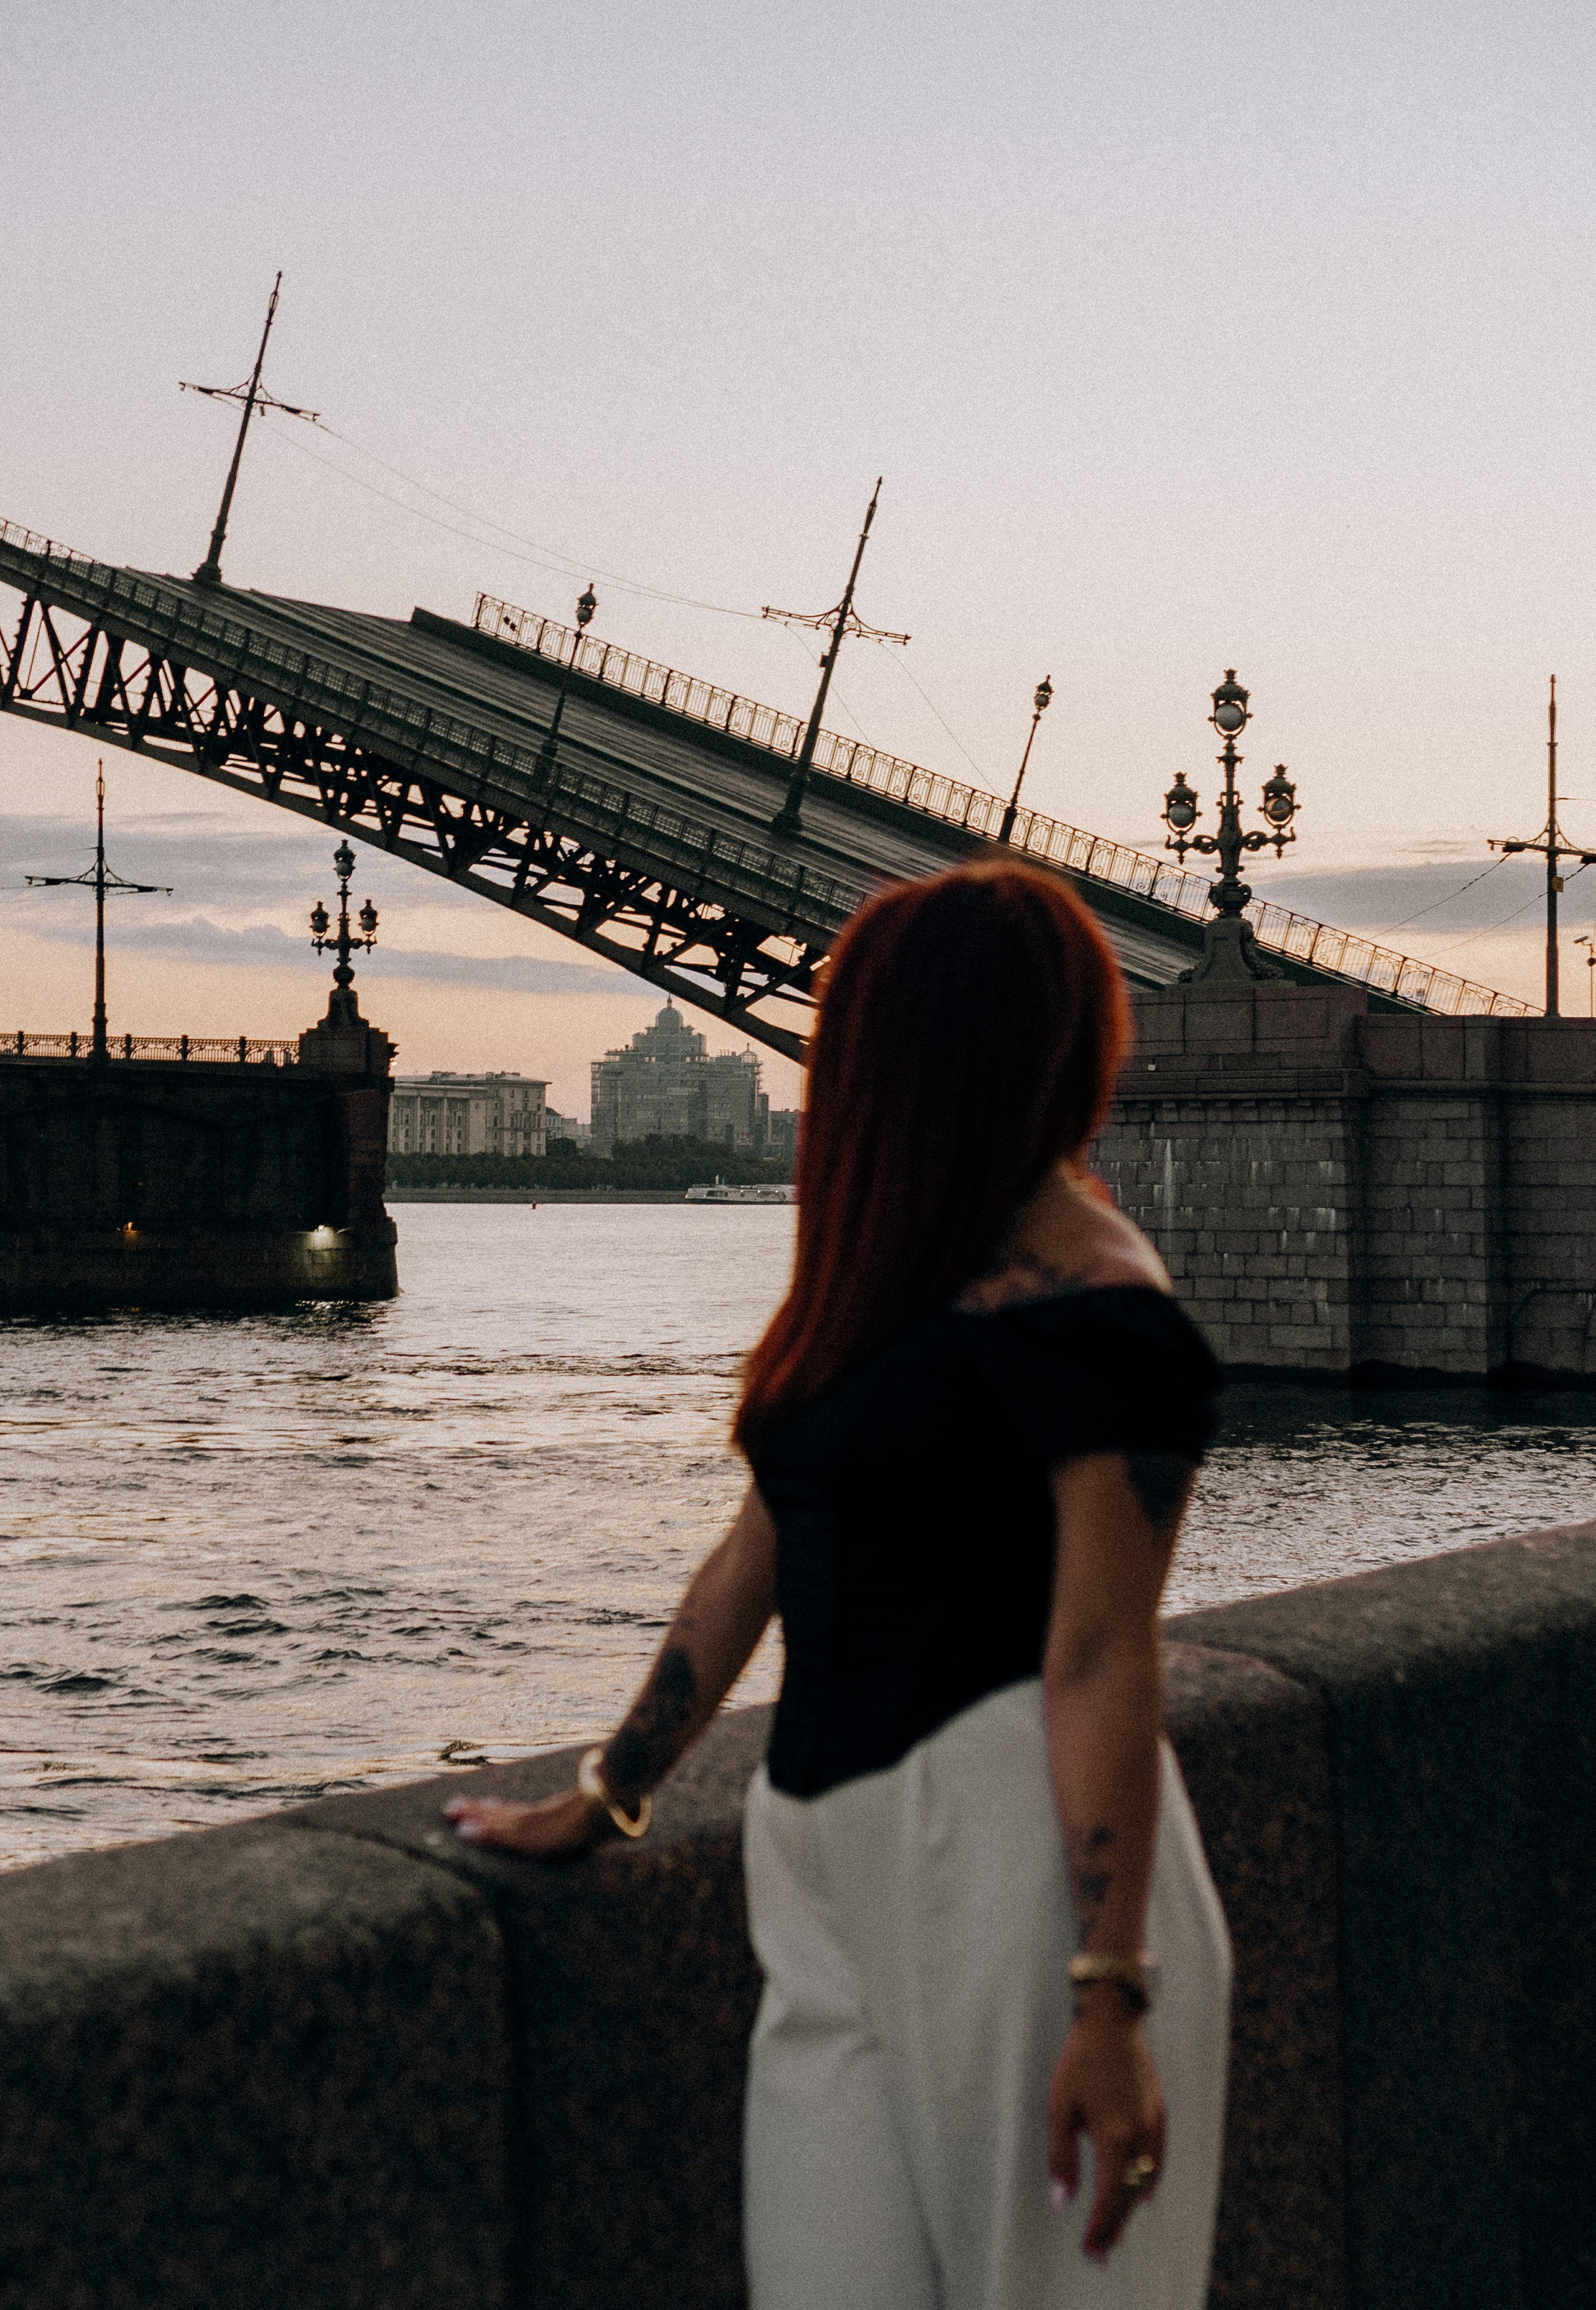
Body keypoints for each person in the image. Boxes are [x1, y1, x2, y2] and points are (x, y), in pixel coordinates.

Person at [445, 861, 1232, 2308]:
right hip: (814, 1862)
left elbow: (1101, 1656)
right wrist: (609, 1794)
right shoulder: (892, 1285)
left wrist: (1111, 1991)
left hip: (1009, 1865)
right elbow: (758, 1553)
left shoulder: (1101, 1313)